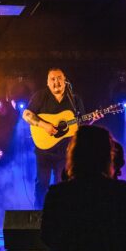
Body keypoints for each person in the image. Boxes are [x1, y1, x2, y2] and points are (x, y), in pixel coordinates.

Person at [23, 68, 91, 209]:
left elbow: (81, 124)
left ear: (65, 80)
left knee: (63, 185)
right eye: (52, 79)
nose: (56, 82)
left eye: (59, 78)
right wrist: (44, 125)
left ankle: (61, 216)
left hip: (66, 151)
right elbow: (27, 115)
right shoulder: (40, 96)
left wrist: (92, 119)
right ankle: (39, 216)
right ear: (47, 82)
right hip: (43, 151)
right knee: (42, 183)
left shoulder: (74, 99)